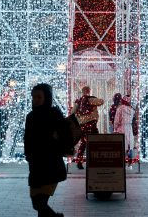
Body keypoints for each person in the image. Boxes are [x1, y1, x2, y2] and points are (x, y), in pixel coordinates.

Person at [24, 83, 66, 217]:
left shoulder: (54, 114)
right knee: (37, 203)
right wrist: (28, 155)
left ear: (46, 97)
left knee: (40, 203)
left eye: (39, 97)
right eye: (34, 97)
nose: (35, 100)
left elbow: (64, 134)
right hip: (36, 166)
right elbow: (27, 138)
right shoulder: (30, 116)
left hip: (50, 165)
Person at [71, 86, 104, 169]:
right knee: (95, 142)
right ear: (88, 91)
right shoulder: (91, 99)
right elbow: (101, 102)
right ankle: (94, 161)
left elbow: (73, 112)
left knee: (83, 144)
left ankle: (79, 162)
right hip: (92, 124)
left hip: (82, 125)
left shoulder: (78, 101)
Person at [113, 95, 137, 161]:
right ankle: (130, 160)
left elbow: (116, 120)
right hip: (129, 128)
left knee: (122, 144)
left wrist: (115, 128)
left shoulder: (120, 108)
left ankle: (121, 160)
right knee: (129, 143)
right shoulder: (132, 109)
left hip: (121, 128)